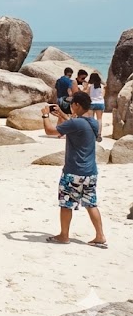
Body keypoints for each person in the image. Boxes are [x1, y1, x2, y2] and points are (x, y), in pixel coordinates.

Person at [42, 92, 107, 248]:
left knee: (66, 204)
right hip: (90, 172)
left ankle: (64, 235)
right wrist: (62, 114)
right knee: (91, 204)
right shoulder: (92, 123)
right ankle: (100, 236)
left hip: (73, 172)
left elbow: (50, 131)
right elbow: (76, 124)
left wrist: (45, 116)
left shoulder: (76, 124)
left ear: (77, 105)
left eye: (72, 104)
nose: (70, 106)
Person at [87, 72, 105, 142]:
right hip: (100, 103)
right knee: (99, 119)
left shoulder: (90, 86)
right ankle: (99, 135)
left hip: (92, 103)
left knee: (91, 119)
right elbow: (103, 95)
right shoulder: (102, 86)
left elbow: (88, 95)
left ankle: (92, 134)